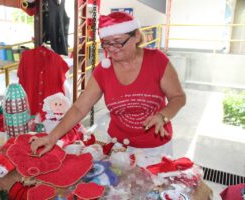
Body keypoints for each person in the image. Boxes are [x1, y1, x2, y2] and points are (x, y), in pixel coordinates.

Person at [30, 11, 186, 164]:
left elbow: (178, 97)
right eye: (106, 42)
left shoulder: (157, 61)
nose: (111, 48)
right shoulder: (103, 70)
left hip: (155, 148)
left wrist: (162, 116)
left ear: (136, 36)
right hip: (119, 148)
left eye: (118, 41)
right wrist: (52, 137)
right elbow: (79, 108)